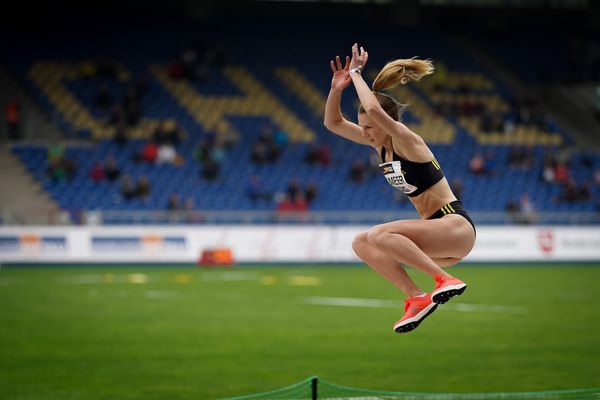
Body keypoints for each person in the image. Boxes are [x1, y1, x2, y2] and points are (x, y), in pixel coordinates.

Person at [324, 44, 476, 334]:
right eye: (362, 127)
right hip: (435, 239)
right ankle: (417, 297)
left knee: (380, 233)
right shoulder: (379, 146)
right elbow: (332, 123)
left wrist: (356, 73)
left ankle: (446, 280)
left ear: (386, 121)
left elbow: (371, 107)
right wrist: (336, 89)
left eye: (369, 127)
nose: (365, 133)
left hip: (454, 226)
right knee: (361, 242)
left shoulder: (408, 140)